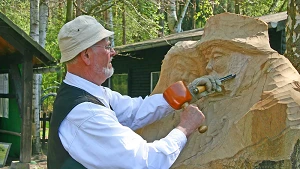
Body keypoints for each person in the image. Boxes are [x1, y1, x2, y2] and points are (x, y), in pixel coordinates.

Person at [47, 15, 222, 169]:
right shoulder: (85, 113)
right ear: (86, 56)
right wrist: (184, 128)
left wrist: (187, 93)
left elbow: (135, 111)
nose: (113, 52)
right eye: (107, 47)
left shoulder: (93, 93)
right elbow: (146, 161)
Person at [138, 13, 300, 168]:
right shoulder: (212, 101)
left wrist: (189, 95)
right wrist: (185, 121)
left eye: (216, 56)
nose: (208, 67)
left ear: (249, 56)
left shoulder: (283, 96)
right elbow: (143, 149)